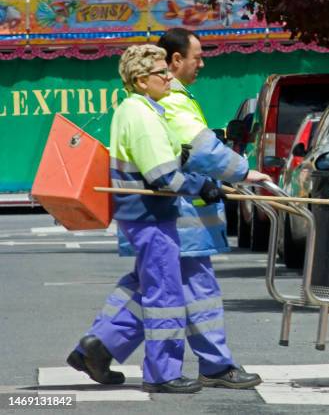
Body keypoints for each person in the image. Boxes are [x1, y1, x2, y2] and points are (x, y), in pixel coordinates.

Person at [67, 31, 268, 390]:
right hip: (166, 213)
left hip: (157, 214)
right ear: (155, 73)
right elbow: (175, 166)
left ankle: (98, 346)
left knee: (153, 285)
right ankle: (194, 368)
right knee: (176, 293)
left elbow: (176, 154)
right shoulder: (157, 107)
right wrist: (234, 173)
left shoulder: (152, 105)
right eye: (195, 57)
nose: (174, 76)